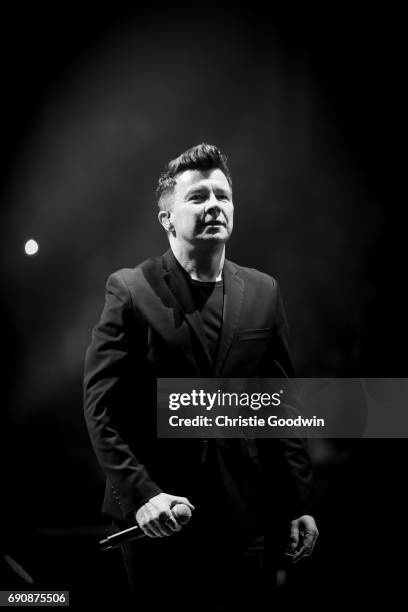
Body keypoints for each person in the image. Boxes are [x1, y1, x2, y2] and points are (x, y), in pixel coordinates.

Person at [83, 143, 319, 610]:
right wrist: (143, 496)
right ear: (167, 218)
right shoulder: (130, 289)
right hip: (159, 518)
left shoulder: (264, 291)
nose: (214, 204)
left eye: (222, 195)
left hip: (244, 519)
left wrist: (297, 502)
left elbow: (280, 408)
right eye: (198, 197)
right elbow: (101, 409)